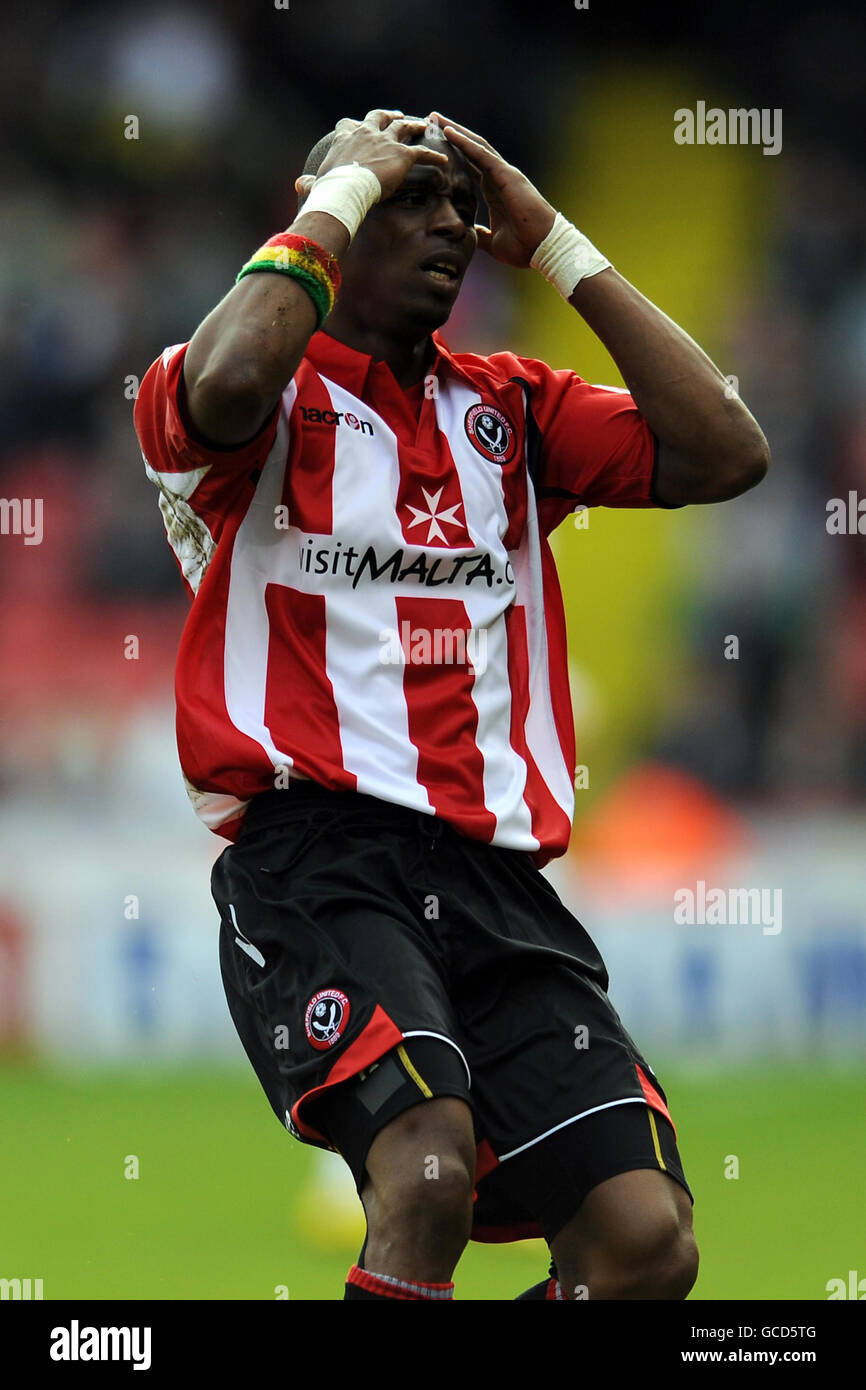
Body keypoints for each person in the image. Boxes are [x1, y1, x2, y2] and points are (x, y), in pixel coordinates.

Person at [134, 108, 769, 1301]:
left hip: (493, 883)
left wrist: (558, 244)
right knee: (422, 1174)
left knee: (643, 1243)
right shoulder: (249, 399)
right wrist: (338, 192)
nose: (446, 225)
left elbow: (723, 451)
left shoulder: (512, 410)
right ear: (333, 217)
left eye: (458, 206)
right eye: (409, 198)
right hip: (319, 858)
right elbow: (222, 382)